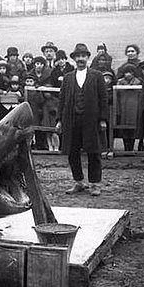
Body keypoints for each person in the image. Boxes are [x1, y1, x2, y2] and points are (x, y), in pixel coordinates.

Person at [56, 43, 108, 196]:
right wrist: (59, 120)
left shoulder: (97, 76)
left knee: (94, 152)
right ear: (73, 59)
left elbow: (103, 99)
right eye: (78, 56)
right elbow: (62, 100)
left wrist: (103, 119)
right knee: (72, 151)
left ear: (87, 57)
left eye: (83, 56)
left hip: (91, 120)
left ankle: (95, 184)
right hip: (71, 120)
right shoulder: (68, 78)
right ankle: (78, 182)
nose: (80, 59)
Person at [116, 64, 142, 151]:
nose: (128, 74)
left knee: (133, 129)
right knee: (124, 128)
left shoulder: (138, 82)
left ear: (133, 73)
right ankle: (126, 148)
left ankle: (131, 147)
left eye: (130, 72)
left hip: (134, 109)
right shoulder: (119, 82)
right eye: (126, 72)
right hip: (123, 108)